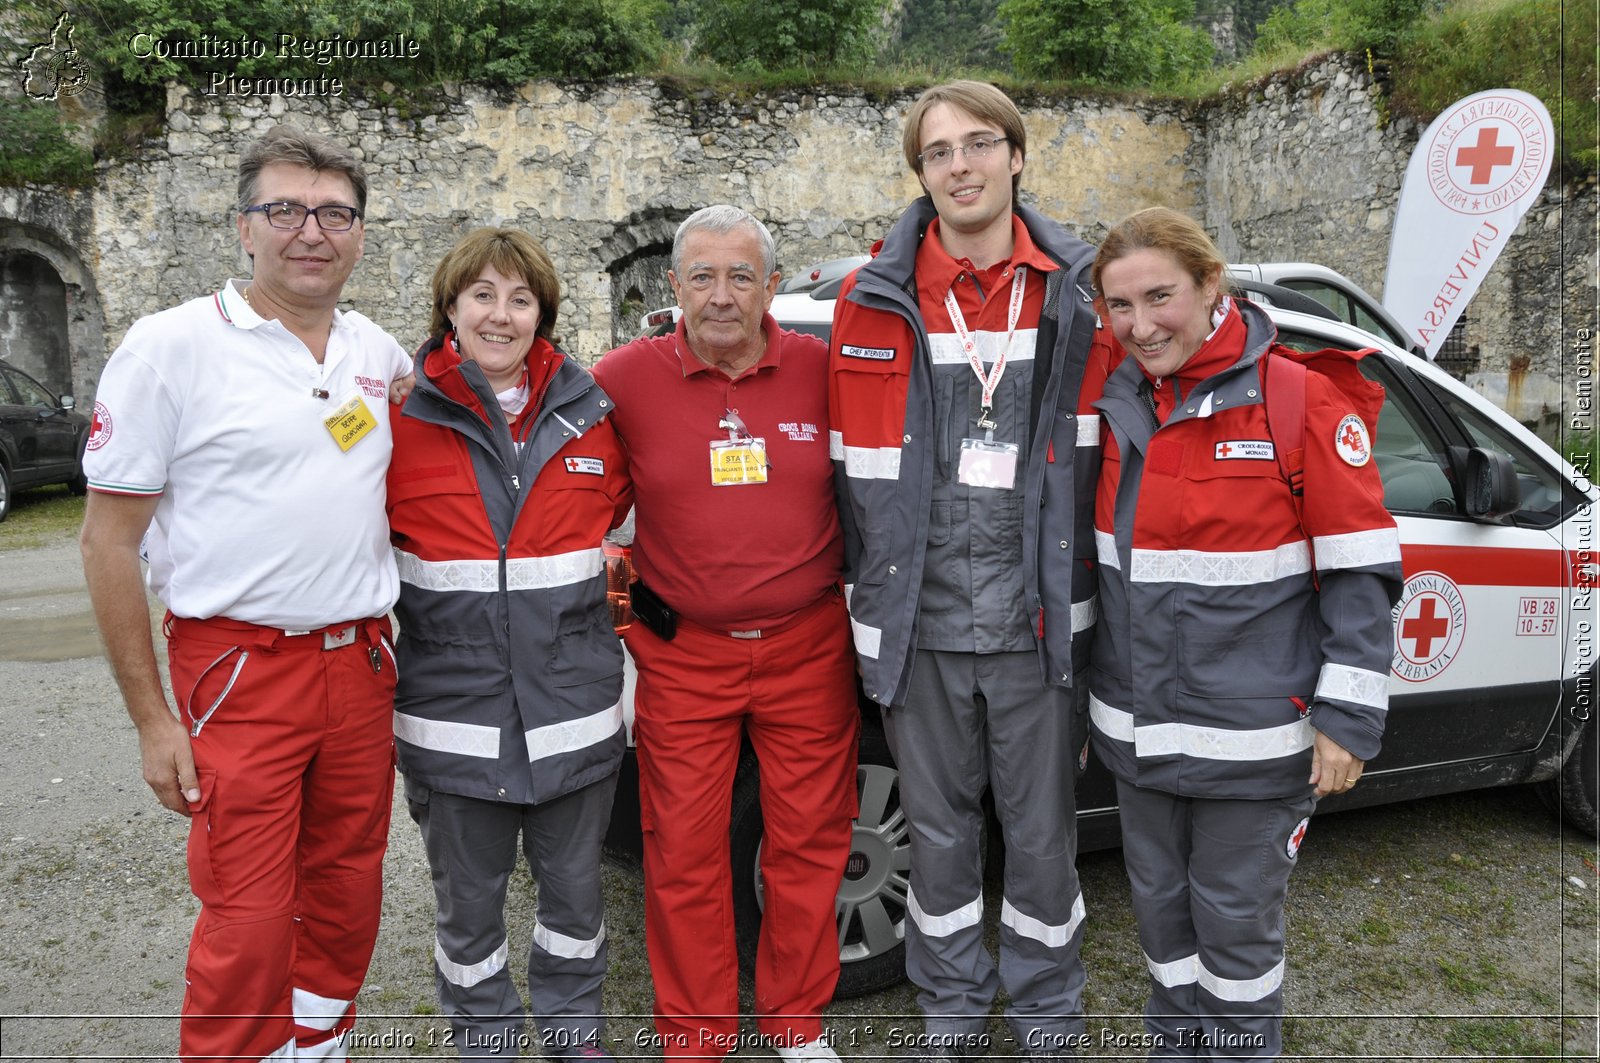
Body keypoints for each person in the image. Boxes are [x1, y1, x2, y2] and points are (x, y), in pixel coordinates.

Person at [78, 124, 411, 1060]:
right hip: (237, 665)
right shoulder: (169, 349)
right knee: (250, 909)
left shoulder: (373, 353)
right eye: (285, 209)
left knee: (347, 882)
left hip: (360, 660)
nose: (312, 231)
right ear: (244, 227)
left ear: (359, 230)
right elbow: (108, 543)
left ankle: (318, 1041)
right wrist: (152, 721)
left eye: (335, 213)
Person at [827, 80, 1111, 1059]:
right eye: (937, 151)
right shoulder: (867, 303)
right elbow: (832, 469)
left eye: (978, 143)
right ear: (921, 174)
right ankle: (950, 1013)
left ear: (1017, 156)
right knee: (939, 845)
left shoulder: (1083, 289)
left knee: (1040, 846)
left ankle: (1044, 1019)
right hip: (919, 628)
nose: (959, 164)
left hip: (1039, 626)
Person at [1088, 206, 1402, 1059]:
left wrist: (1347, 716)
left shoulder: (1299, 396)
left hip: (1255, 746)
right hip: (1140, 737)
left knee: (1235, 941)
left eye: (1160, 297)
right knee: (1162, 926)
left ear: (1210, 285)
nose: (1141, 325)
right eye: (1119, 307)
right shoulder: (1112, 400)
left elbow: (1360, 569)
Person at [591, 205, 858, 1062]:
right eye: (701, 276)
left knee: (810, 843)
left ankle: (795, 1023)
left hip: (808, 643)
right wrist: (628, 616)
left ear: (772, 287)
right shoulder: (621, 379)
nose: (720, 295)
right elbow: (578, 507)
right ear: (672, 287)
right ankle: (698, 1035)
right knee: (682, 853)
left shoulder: (825, 369)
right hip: (683, 654)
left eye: (741, 276)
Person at [387, 227, 632, 1059]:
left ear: (544, 316)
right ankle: (485, 1042)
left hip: (572, 719)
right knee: (469, 915)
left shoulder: (595, 416)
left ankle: (574, 1037)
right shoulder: (395, 418)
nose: (501, 314)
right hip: (454, 724)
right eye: (482, 295)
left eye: (520, 298)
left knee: (573, 904)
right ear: (449, 309)